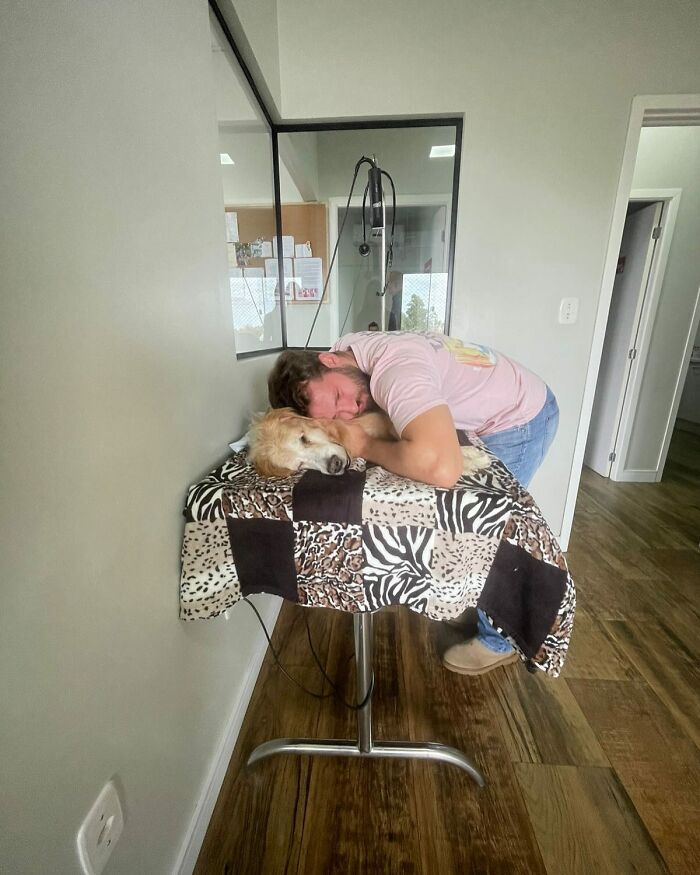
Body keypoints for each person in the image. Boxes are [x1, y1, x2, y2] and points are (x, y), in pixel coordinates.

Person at [267, 330, 559, 675]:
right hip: (508, 392)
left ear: (329, 362)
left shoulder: (396, 370)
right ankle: (472, 601)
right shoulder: (349, 352)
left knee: (491, 529)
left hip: (519, 417)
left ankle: (498, 640)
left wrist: (362, 445)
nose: (349, 409)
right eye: (335, 414)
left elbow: (441, 467)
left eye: (337, 395)